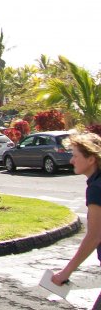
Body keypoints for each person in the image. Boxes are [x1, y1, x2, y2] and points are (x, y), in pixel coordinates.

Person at [51, 131, 101, 308]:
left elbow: (94, 236)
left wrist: (66, 272)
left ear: (91, 159)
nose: (71, 160)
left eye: (75, 156)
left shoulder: (96, 188)